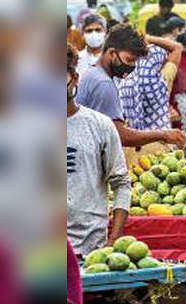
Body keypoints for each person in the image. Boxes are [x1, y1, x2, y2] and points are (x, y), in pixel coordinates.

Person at [67, 43, 131, 255]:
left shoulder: (100, 125)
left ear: (74, 78)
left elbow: (121, 183)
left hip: (89, 246)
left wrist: (113, 239)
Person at [76, 23, 186, 147]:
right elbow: (120, 136)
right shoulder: (104, 84)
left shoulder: (91, 73)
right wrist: (164, 135)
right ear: (112, 53)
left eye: (134, 62)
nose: (131, 67)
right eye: (129, 60)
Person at [119, 17, 183, 131]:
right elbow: (177, 48)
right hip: (160, 141)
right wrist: (148, 38)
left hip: (131, 144)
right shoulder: (162, 82)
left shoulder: (122, 80)